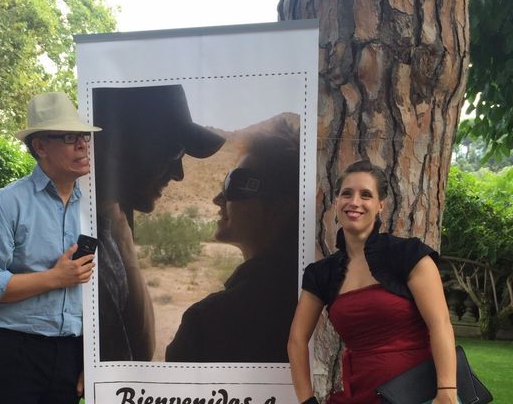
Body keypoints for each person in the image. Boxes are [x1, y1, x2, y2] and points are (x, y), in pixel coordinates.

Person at [0, 92, 99, 404]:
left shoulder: (95, 208)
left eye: (83, 136)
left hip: (72, 354)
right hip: (11, 354)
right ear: (40, 147)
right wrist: (55, 277)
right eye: (68, 137)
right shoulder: (6, 204)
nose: (82, 145)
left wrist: (91, 360)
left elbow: (101, 294)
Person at [288, 160, 457, 404]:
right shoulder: (321, 273)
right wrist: (306, 401)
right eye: (346, 193)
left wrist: (447, 393)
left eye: (365, 194)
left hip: (420, 395)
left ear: (380, 205)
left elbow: (440, 324)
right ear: (336, 202)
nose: (354, 202)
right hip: (359, 394)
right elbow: (297, 340)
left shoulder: (408, 254)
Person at [92, 84, 225, 361]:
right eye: (173, 153)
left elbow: (140, 351)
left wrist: (121, 230)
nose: (178, 175)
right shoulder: (70, 233)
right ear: (118, 145)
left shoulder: (109, 225)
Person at [165, 119, 299, 362]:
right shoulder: (308, 297)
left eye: (235, 185)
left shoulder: (208, 324)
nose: (218, 199)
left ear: (281, 205)